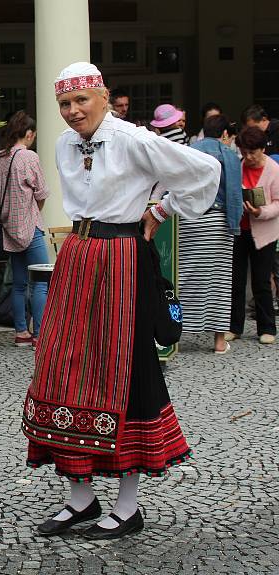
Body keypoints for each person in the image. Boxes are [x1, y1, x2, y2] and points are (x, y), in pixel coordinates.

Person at [23, 62, 220, 540]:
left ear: (104, 96)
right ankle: (81, 497)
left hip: (123, 259)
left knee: (123, 372)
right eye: (65, 104)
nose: (72, 112)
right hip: (78, 256)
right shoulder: (63, 143)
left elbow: (205, 170)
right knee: (63, 368)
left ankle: (128, 506)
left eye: (81, 101)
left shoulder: (133, 138)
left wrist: (161, 208)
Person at [183, 115, 243, 353]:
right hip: (217, 221)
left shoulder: (187, 151)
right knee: (219, 279)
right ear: (225, 134)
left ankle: (176, 333)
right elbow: (234, 194)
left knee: (186, 276)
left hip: (188, 219)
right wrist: (234, 224)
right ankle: (219, 341)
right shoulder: (227, 154)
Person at [0, 110, 49, 350]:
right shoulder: (29, 157)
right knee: (41, 282)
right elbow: (42, 193)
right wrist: (34, 210)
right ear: (28, 134)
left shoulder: (1, 159)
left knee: (18, 284)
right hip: (31, 227)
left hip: (10, 229)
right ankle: (40, 335)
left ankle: (21, 333)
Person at [226, 126, 279, 345]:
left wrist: (260, 211)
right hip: (240, 230)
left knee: (261, 281)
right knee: (236, 281)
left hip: (264, 232)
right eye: (244, 152)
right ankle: (234, 327)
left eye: (252, 152)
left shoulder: (274, 170)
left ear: (262, 149)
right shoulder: (238, 166)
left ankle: (267, 328)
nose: (248, 157)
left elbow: (278, 204)